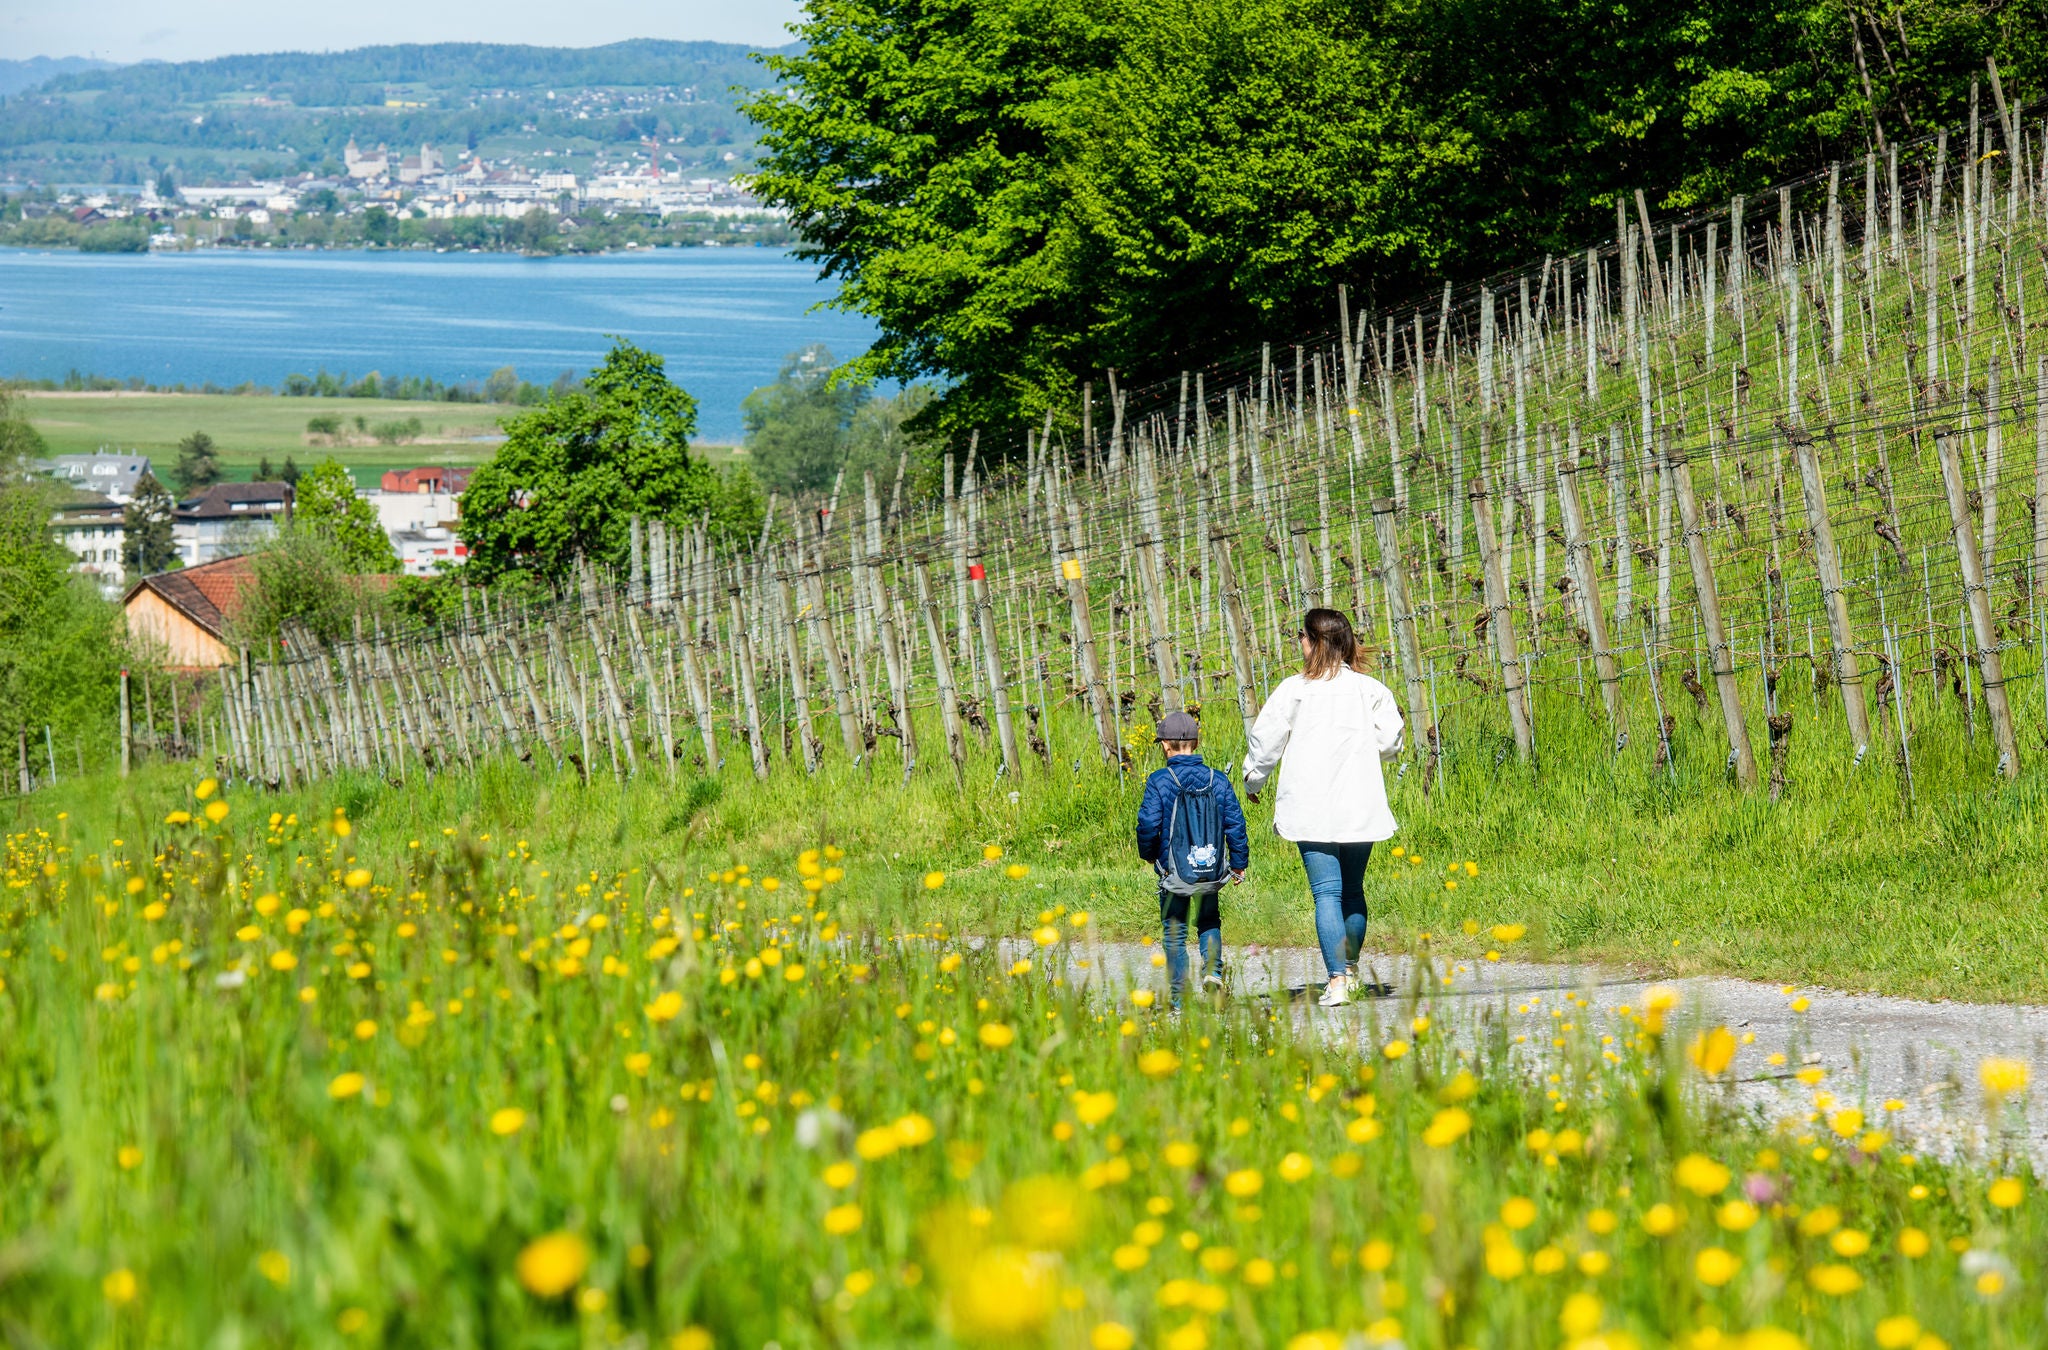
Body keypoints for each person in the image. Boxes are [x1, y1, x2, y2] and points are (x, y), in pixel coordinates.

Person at [1241, 608, 1405, 1007]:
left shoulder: (1293, 690)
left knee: (1326, 893)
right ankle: (1347, 972)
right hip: (1359, 802)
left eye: (1302, 636)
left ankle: (1336, 981)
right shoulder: (1370, 690)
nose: (1299, 642)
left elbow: (1265, 744)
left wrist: (1253, 780)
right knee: (1351, 890)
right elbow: (1390, 743)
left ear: (1314, 642)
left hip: (1311, 805)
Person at [1134, 710, 1249, 1004]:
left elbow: (1148, 824)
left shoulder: (1159, 780)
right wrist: (1238, 863)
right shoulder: (1218, 779)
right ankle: (1212, 972)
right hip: (1210, 870)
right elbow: (1235, 823)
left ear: (1164, 745)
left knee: (1174, 933)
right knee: (1209, 921)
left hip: (1174, 874)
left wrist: (1149, 855)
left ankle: (1180, 997)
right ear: (1196, 744)